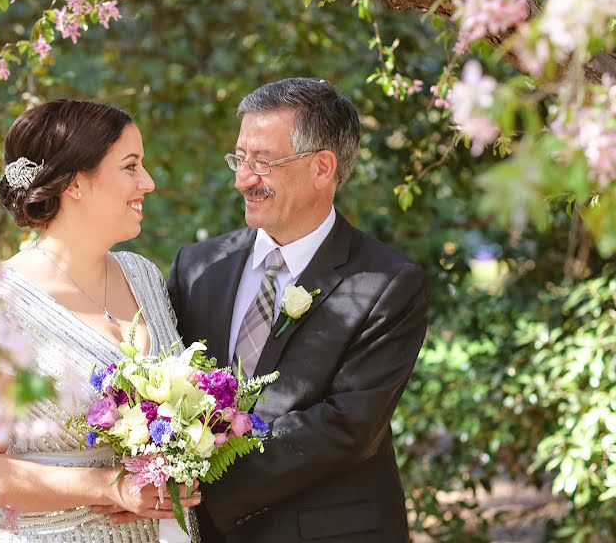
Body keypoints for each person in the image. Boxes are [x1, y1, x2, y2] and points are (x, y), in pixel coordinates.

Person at [167, 78, 429, 542]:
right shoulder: (197, 266)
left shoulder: (387, 283)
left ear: (322, 167)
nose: (243, 179)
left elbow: (347, 426)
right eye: (240, 159)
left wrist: (194, 483)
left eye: (263, 162)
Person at [0, 99, 200, 543]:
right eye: (131, 166)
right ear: (76, 182)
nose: (148, 183)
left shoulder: (144, 276)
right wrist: (107, 486)